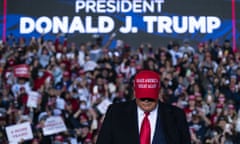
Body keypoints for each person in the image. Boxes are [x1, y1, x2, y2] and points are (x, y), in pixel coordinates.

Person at [96, 70, 191, 144]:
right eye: (143, 97)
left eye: (150, 97)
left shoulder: (176, 116)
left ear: (159, 92)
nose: (146, 101)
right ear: (135, 92)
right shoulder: (116, 113)